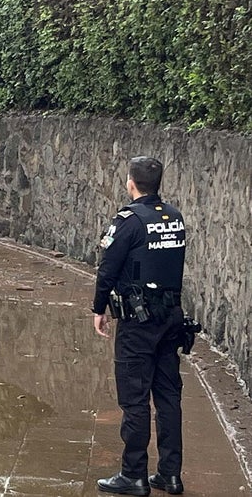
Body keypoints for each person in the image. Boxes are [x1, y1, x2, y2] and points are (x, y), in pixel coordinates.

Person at [93, 156, 187, 496]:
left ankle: (133, 475)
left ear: (131, 182)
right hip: (170, 319)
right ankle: (170, 474)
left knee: (134, 399)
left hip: (138, 323)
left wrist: (99, 308)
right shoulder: (174, 218)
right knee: (167, 396)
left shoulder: (129, 221)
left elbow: (108, 268)